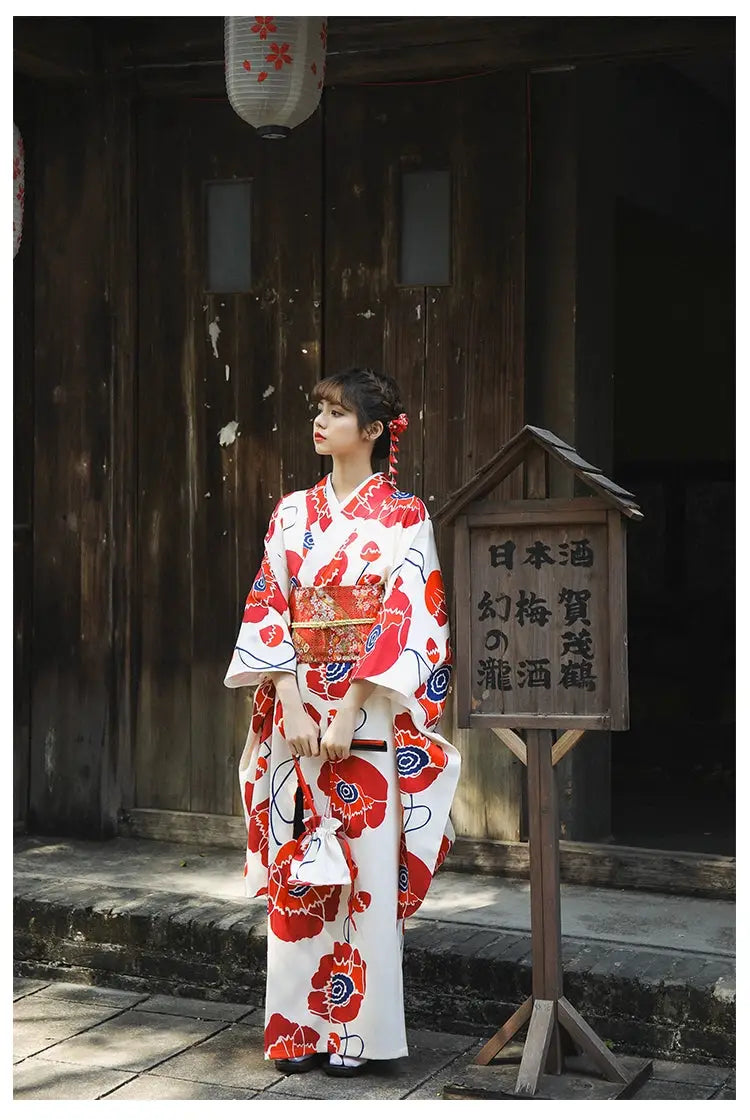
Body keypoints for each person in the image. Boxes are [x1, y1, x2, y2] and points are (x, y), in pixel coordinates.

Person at [224, 366, 461, 1078]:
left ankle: (358, 1034)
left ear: (375, 430)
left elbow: (406, 615)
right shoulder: (293, 512)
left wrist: (354, 704)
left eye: (335, 411)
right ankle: (296, 1030)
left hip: (369, 718)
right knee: (302, 870)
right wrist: (293, 698)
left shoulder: (405, 516)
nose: (319, 421)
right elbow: (271, 603)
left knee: (361, 876)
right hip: (297, 715)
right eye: (317, 409)